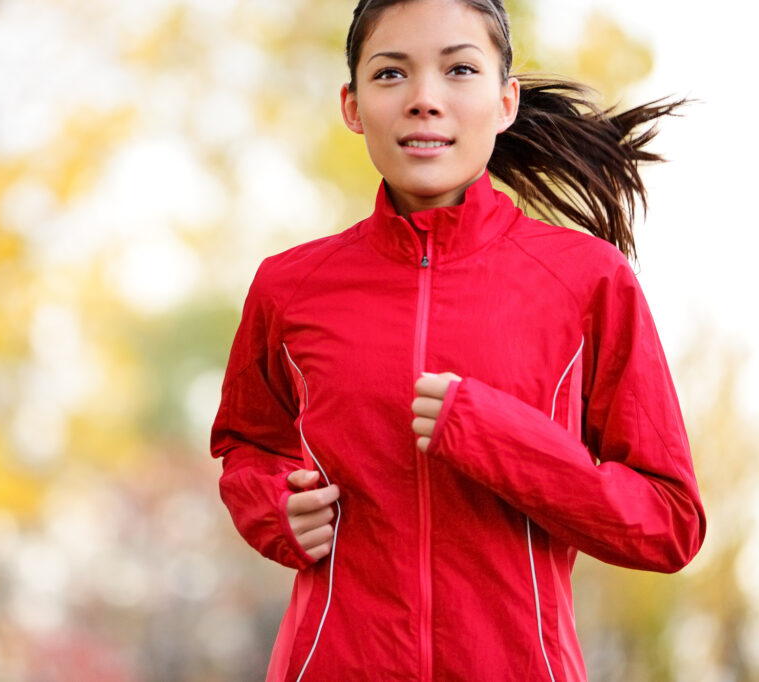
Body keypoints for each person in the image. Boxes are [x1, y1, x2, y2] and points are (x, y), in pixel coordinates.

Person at [209, 0, 706, 679]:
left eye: (459, 69)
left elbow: (669, 523)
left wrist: (495, 435)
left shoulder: (589, 281)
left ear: (505, 101)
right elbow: (247, 446)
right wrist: (275, 511)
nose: (424, 100)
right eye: (391, 75)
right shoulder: (289, 287)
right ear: (352, 107)